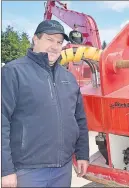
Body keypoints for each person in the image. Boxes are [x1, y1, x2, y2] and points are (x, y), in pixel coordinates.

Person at [1, 20, 90, 187]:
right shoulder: (13, 72)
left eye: (59, 42)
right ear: (35, 39)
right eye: (49, 39)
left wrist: (82, 154)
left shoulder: (68, 78)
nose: (55, 46)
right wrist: (5, 170)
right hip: (28, 170)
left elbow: (79, 120)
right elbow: (2, 121)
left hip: (62, 170)